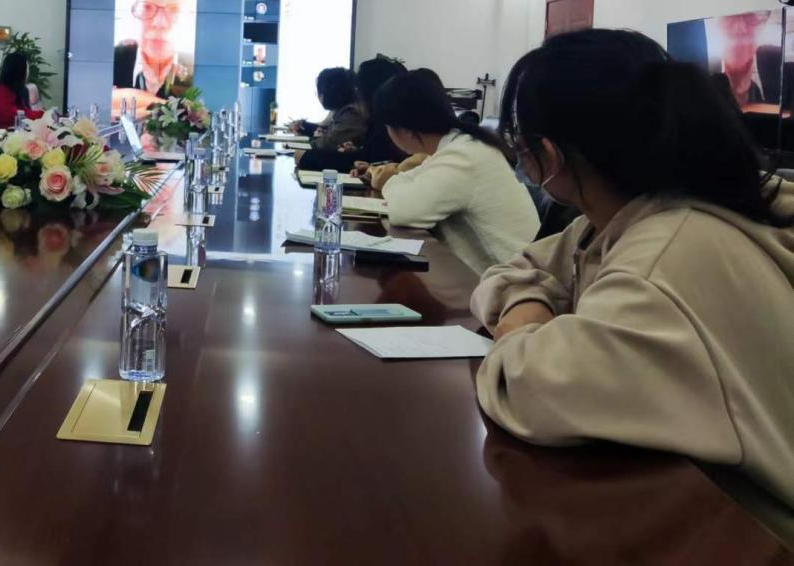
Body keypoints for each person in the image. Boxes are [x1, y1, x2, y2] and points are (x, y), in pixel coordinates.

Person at [471, 28, 794, 534]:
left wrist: (520, 329)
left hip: (749, 534)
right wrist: (529, 303)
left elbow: (528, 387)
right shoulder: (641, 214)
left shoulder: (662, 259)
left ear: (548, 156)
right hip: (702, 507)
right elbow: (518, 269)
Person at [370, 69, 539, 273]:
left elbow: (402, 211)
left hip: (515, 281)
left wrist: (390, 183)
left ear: (404, 130)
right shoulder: (457, 147)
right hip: (501, 276)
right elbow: (404, 182)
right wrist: (396, 183)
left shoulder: (463, 156)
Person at [111, 0, 195, 115]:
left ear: (190, 17)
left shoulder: (198, 69)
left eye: (174, 9)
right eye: (147, 6)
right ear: (135, 11)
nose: (159, 22)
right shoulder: (112, 59)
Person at [300, 55, 406, 172]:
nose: (355, 92)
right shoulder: (377, 117)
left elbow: (371, 159)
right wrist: (355, 150)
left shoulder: (380, 120)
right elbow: (369, 156)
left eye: (358, 87)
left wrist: (307, 158)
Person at [306, 67, 365, 150]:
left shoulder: (351, 113)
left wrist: (305, 145)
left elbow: (330, 142)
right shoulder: (343, 109)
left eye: (320, 92)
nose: (319, 96)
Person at [0, 52, 45, 128]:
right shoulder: (3, 89)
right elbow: (11, 115)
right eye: (27, 68)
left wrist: (42, 114)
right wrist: (42, 115)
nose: (28, 72)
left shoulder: (13, 88)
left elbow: (22, 111)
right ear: (19, 70)